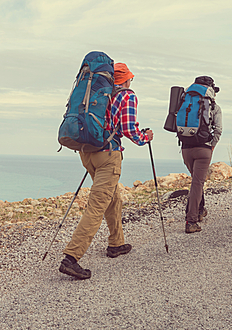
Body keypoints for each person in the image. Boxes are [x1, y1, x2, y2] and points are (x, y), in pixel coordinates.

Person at [59, 63, 153, 280]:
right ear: (126, 80)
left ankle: (116, 243)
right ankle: (71, 258)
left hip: (88, 154)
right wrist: (144, 138)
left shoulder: (98, 94)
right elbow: (129, 128)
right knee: (96, 206)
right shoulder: (127, 96)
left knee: (113, 198)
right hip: (108, 157)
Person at [182, 76, 222, 234]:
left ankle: (200, 210)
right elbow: (218, 129)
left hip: (185, 148)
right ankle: (191, 221)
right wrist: (212, 146)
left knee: (196, 181)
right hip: (203, 149)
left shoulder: (185, 102)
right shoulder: (214, 107)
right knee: (197, 184)